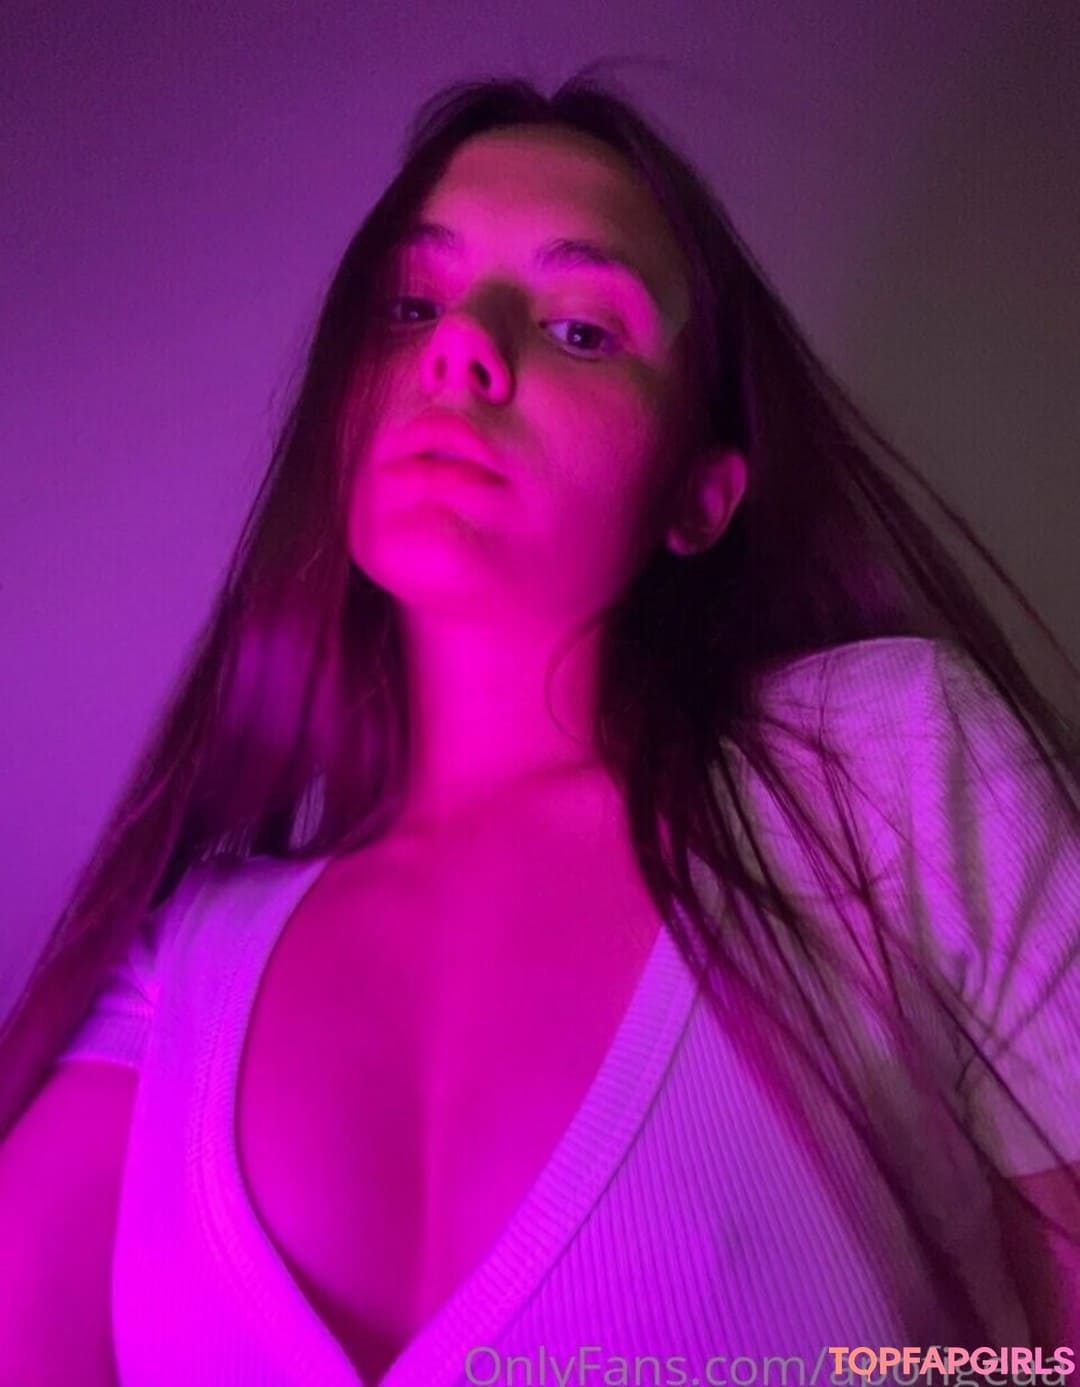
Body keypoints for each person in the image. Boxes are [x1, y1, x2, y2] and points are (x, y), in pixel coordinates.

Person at [1, 66, 1078, 1387]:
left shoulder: (876, 768)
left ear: (699, 495)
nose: (459, 348)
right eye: (410, 306)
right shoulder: (182, 960)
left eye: (580, 329)